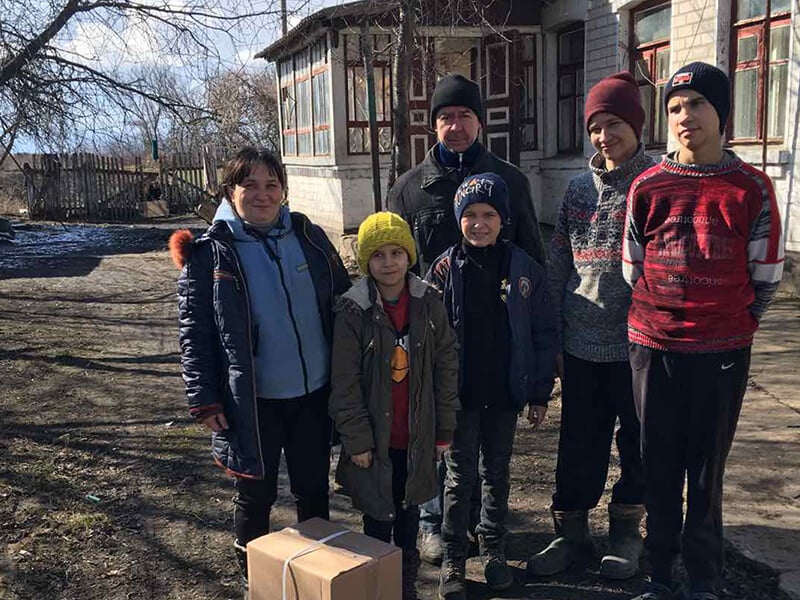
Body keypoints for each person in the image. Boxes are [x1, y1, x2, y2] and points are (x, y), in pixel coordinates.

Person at [622, 62, 784, 600]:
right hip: (654, 349)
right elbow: (632, 266)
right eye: (674, 108)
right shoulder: (647, 185)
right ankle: (660, 573)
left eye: (695, 104)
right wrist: (662, 318)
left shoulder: (751, 188)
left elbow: (766, 276)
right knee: (658, 462)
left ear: (720, 111)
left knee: (706, 472)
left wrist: (732, 326)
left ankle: (705, 578)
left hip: (721, 353)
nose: (684, 116)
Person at [170, 147, 351, 591]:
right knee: (256, 493)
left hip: (313, 394)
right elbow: (195, 332)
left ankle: (316, 578)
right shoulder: (209, 254)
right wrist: (204, 398)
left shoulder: (308, 236)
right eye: (248, 184)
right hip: (252, 402)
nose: (262, 194)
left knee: (313, 490)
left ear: (283, 190)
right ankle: (257, 580)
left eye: (271, 184)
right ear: (230, 192)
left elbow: (344, 303)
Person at [388, 73, 546, 565]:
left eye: (464, 116)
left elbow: (533, 261)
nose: (455, 126)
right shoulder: (411, 188)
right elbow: (393, 263)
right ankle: (436, 525)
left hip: (494, 341)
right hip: (432, 338)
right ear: (432, 124)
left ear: (480, 121)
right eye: (445, 117)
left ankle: (482, 527)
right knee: (439, 439)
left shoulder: (511, 181)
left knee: (489, 452)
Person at [527, 72, 653, 580]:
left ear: (637, 126)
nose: (605, 136)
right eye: (596, 127)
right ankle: (570, 531)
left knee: (639, 442)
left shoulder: (655, 183)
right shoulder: (578, 190)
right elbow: (559, 266)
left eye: (615, 124)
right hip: (580, 344)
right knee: (580, 442)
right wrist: (554, 338)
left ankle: (626, 532)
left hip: (639, 346)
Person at [427, 173, 557, 599]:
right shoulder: (445, 268)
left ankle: (493, 548)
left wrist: (539, 391)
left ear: (504, 219)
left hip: (504, 394)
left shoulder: (525, 270)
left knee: (496, 473)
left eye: (489, 214)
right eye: (470, 215)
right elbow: (428, 334)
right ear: (458, 219)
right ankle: (453, 556)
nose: (479, 223)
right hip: (459, 396)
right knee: (457, 476)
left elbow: (541, 332)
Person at [329, 212, 460, 600]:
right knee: (377, 518)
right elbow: (344, 380)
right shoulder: (353, 311)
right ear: (366, 261)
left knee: (409, 516)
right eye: (379, 255)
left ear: (409, 255)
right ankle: (377, 587)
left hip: (417, 435)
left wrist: (444, 429)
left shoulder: (428, 301)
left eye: (397, 253)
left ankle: (404, 588)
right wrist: (356, 439)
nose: (389, 263)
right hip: (373, 441)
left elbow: (446, 364)